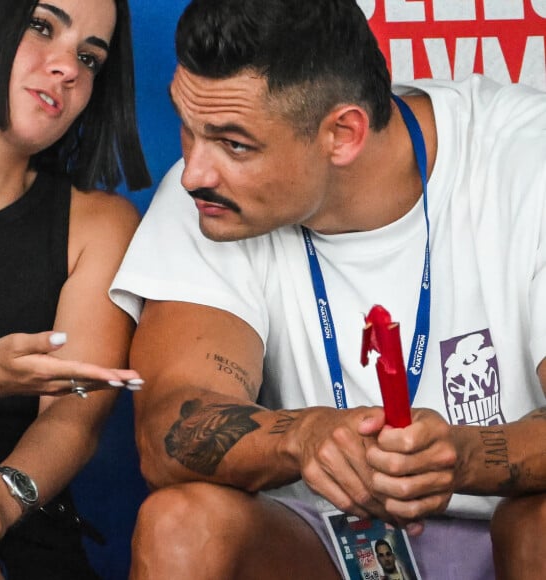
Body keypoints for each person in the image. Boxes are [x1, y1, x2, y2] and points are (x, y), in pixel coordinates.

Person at [110, 0, 546, 578]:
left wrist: (464, 457)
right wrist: (304, 436)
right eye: (189, 131)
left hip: (510, 527)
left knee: (538, 526)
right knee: (181, 522)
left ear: (344, 133)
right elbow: (170, 428)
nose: (194, 171)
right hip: (330, 545)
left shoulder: (525, 156)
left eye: (235, 144)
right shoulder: (208, 198)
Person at [0, 0, 150, 577]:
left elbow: (73, 419)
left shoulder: (100, 225)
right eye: (42, 26)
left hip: (15, 530)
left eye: (90, 58)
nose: (69, 68)